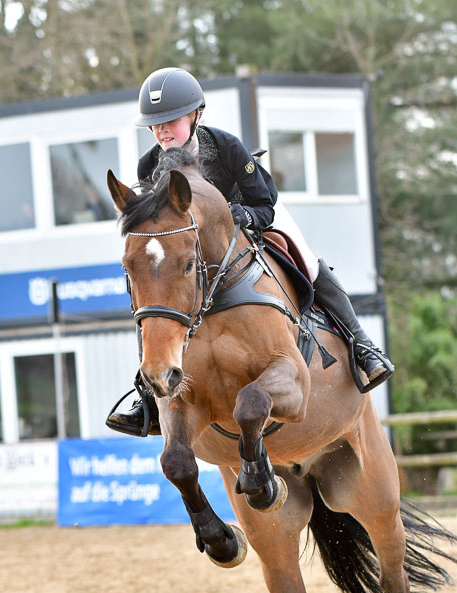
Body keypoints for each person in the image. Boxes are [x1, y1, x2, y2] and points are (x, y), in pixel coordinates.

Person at [107, 67, 393, 436]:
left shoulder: (225, 147)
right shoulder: (148, 165)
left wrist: (244, 215)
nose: (161, 131)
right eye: (154, 124)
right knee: (154, 291)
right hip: (198, 248)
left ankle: (362, 346)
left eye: (170, 121)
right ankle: (148, 394)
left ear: (195, 116)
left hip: (252, 218)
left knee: (306, 260)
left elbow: (265, 204)